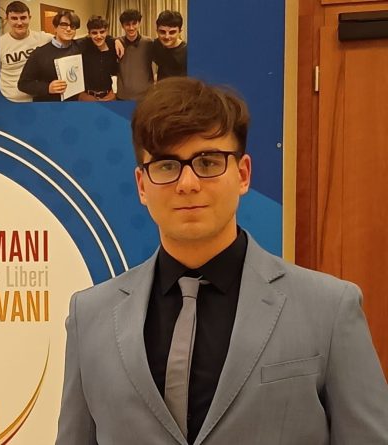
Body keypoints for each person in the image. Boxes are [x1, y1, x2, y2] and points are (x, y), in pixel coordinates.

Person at [55, 77, 388, 444]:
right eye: (166, 166)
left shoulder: (329, 309)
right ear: (142, 185)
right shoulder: (90, 316)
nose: (188, 183)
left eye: (208, 162)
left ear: (243, 174)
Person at [17, 11, 81, 102]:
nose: (68, 29)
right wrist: (47, 88)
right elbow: (23, 84)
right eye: (64, 25)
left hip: (73, 103)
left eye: (73, 26)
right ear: (55, 28)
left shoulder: (79, 47)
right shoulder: (39, 53)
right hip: (48, 105)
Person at [0, 1, 52, 102]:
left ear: (29, 18)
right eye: (14, 18)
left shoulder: (43, 38)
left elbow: (65, 41)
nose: (19, 23)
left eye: (23, 18)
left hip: (38, 99)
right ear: (7, 19)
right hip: (10, 101)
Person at [116, 9, 154, 101]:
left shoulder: (149, 43)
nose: (131, 28)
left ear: (139, 23)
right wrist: (115, 40)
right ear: (122, 26)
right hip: (123, 96)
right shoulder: (116, 43)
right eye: (127, 24)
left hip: (146, 95)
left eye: (134, 23)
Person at [78, 16, 118, 101]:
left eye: (102, 32)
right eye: (94, 33)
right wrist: (80, 94)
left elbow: (118, 72)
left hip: (109, 97)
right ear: (89, 34)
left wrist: (114, 92)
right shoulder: (83, 46)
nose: (99, 36)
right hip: (87, 98)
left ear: (107, 32)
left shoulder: (113, 46)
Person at [152, 10, 187, 80]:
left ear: (179, 32)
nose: (167, 37)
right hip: (161, 86)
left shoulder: (187, 51)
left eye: (172, 32)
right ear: (157, 31)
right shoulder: (156, 45)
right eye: (162, 32)